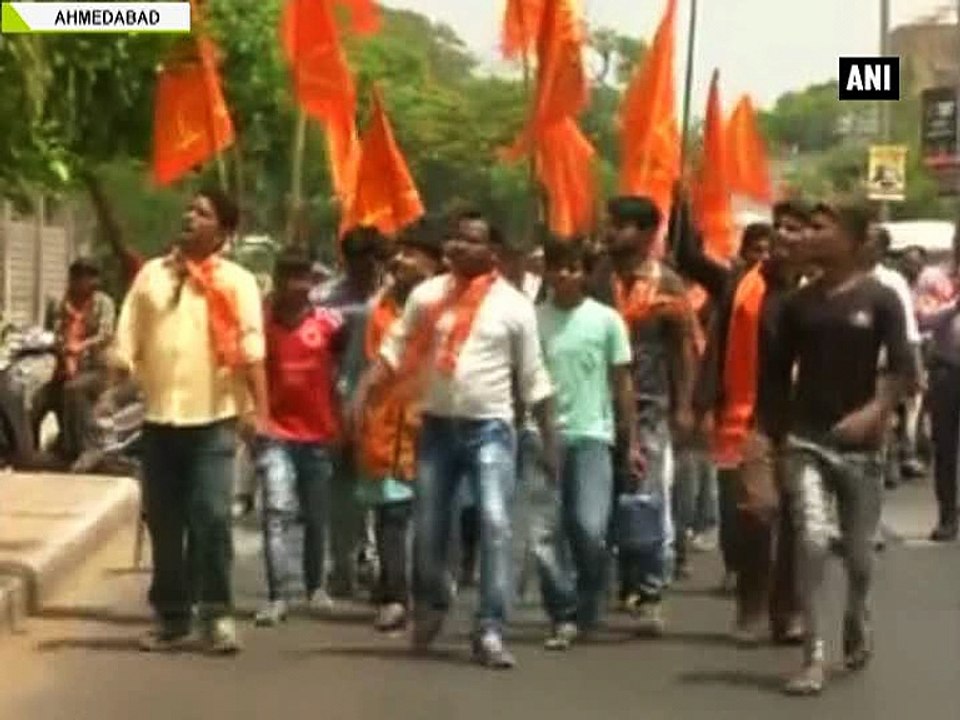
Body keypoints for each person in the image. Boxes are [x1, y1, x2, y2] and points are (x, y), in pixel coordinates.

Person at [354, 209, 557, 669]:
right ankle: (432, 605)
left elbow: (534, 379)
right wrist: (365, 390)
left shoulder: (513, 306)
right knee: (427, 530)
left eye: (470, 240)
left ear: (493, 253)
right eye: (455, 239)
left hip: (490, 429)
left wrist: (549, 440)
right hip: (438, 427)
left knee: (495, 523)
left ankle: (489, 627)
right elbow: (395, 348)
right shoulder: (427, 296)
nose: (459, 247)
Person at [114, 188, 268, 655]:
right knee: (163, 521)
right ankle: (173, 617)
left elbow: (251, 347)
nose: (189, 217)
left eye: (202, 213)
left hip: (213, 420)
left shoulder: (237, 282)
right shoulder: (151, 277)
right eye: (189, 210)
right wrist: (114, 375)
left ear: (223, 230)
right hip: (160, 420)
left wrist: (258, 411)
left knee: (212, 516)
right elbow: (128, 339)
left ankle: (217, 615)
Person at [773, 201, 916, 695]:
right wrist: (770, 436)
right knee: (811, 540)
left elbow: (902, 369)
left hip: (862, 446)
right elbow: (774, 375)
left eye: (822, 227)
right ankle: (813, 655)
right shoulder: (797, 304)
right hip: (806, 438)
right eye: (807, 227)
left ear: (853, 239)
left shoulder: (881, 298)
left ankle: (857, 612)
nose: (809, 235)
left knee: (857, 555)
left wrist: (875, 414)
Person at [677, 196, 808, 645]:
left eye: (797, 230)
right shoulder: (742, 286)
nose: (786, 239)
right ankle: (751, 604)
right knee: (760, 512)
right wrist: (684, 201)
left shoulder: (824, 291)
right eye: (782, 229)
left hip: (808, 421)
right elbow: (717, 343)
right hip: (753, 418)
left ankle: (787, 610)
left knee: (800, 520)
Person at [591, 196, 697, 634]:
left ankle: (647, 589)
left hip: (649, 406)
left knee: (643, 501)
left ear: (646, 234)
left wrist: (686, 405)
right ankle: (602, 586)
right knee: (596, 505)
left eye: (618, 225)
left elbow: (684, 350)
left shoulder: (667, 286)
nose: (609, 232)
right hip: (592, 406)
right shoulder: (592, 277)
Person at [532, 238, 636, 650]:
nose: (566, 275)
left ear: (587, 273)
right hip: (540, 437)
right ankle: (563, 613)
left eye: (574, 268)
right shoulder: (532, 320)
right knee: (542, 536)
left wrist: (632, 442)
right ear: (547, 272)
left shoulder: (607, 320)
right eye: (558, 267)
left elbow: (622, 382)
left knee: (589, 528)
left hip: (593, 435)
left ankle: (591, 599)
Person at [355, 219, 444, 632]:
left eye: (411, 253)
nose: (400, 261)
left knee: (431, 516)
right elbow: (377, 364)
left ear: (434, 262)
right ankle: (394, 596)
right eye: (400, 252)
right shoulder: (382, 307)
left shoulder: (451, 307)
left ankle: (431, 590)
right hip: (388, 426)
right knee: (390, 514)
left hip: (437, 426)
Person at [253, 251, 345, 627]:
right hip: (275, 433)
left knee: (317, 516)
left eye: (303, 278)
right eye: (289, 278)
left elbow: (342, 374)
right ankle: (277, 596)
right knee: (276, 513)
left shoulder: (330, 324)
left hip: (318, 434)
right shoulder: (259, 325)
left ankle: (315, 588)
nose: (297, 287)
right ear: (277, 280)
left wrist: (341, 422)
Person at [313, 226, 389, 599]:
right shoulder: (326, 299)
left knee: (381, 488)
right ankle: (340, 566)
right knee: (341, 488)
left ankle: (378, 563)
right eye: (357, 264)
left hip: (386, 405)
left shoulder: (394, 297)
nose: (364, 271)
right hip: (339, 400)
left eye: (371, 263)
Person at [34, 259, 116, 464]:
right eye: (75, 277)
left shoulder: (102, 303)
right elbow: (52, 332)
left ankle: (88, 447)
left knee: (74, 389)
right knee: (38, 399)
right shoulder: (60, 304)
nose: (78, 283)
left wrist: (81, 346)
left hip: (95, 368)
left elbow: (106, 335)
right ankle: (30, 451)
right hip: (64, 366)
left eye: (84, 278)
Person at [863, 226, 924, 488]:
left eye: (870, 242)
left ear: (881, 251)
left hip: (882, 366)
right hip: (844, 367)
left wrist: (915, 370)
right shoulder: (837, 277)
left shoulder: (891, 282)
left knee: (884, 419)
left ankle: (884, 466)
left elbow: (909, 331)